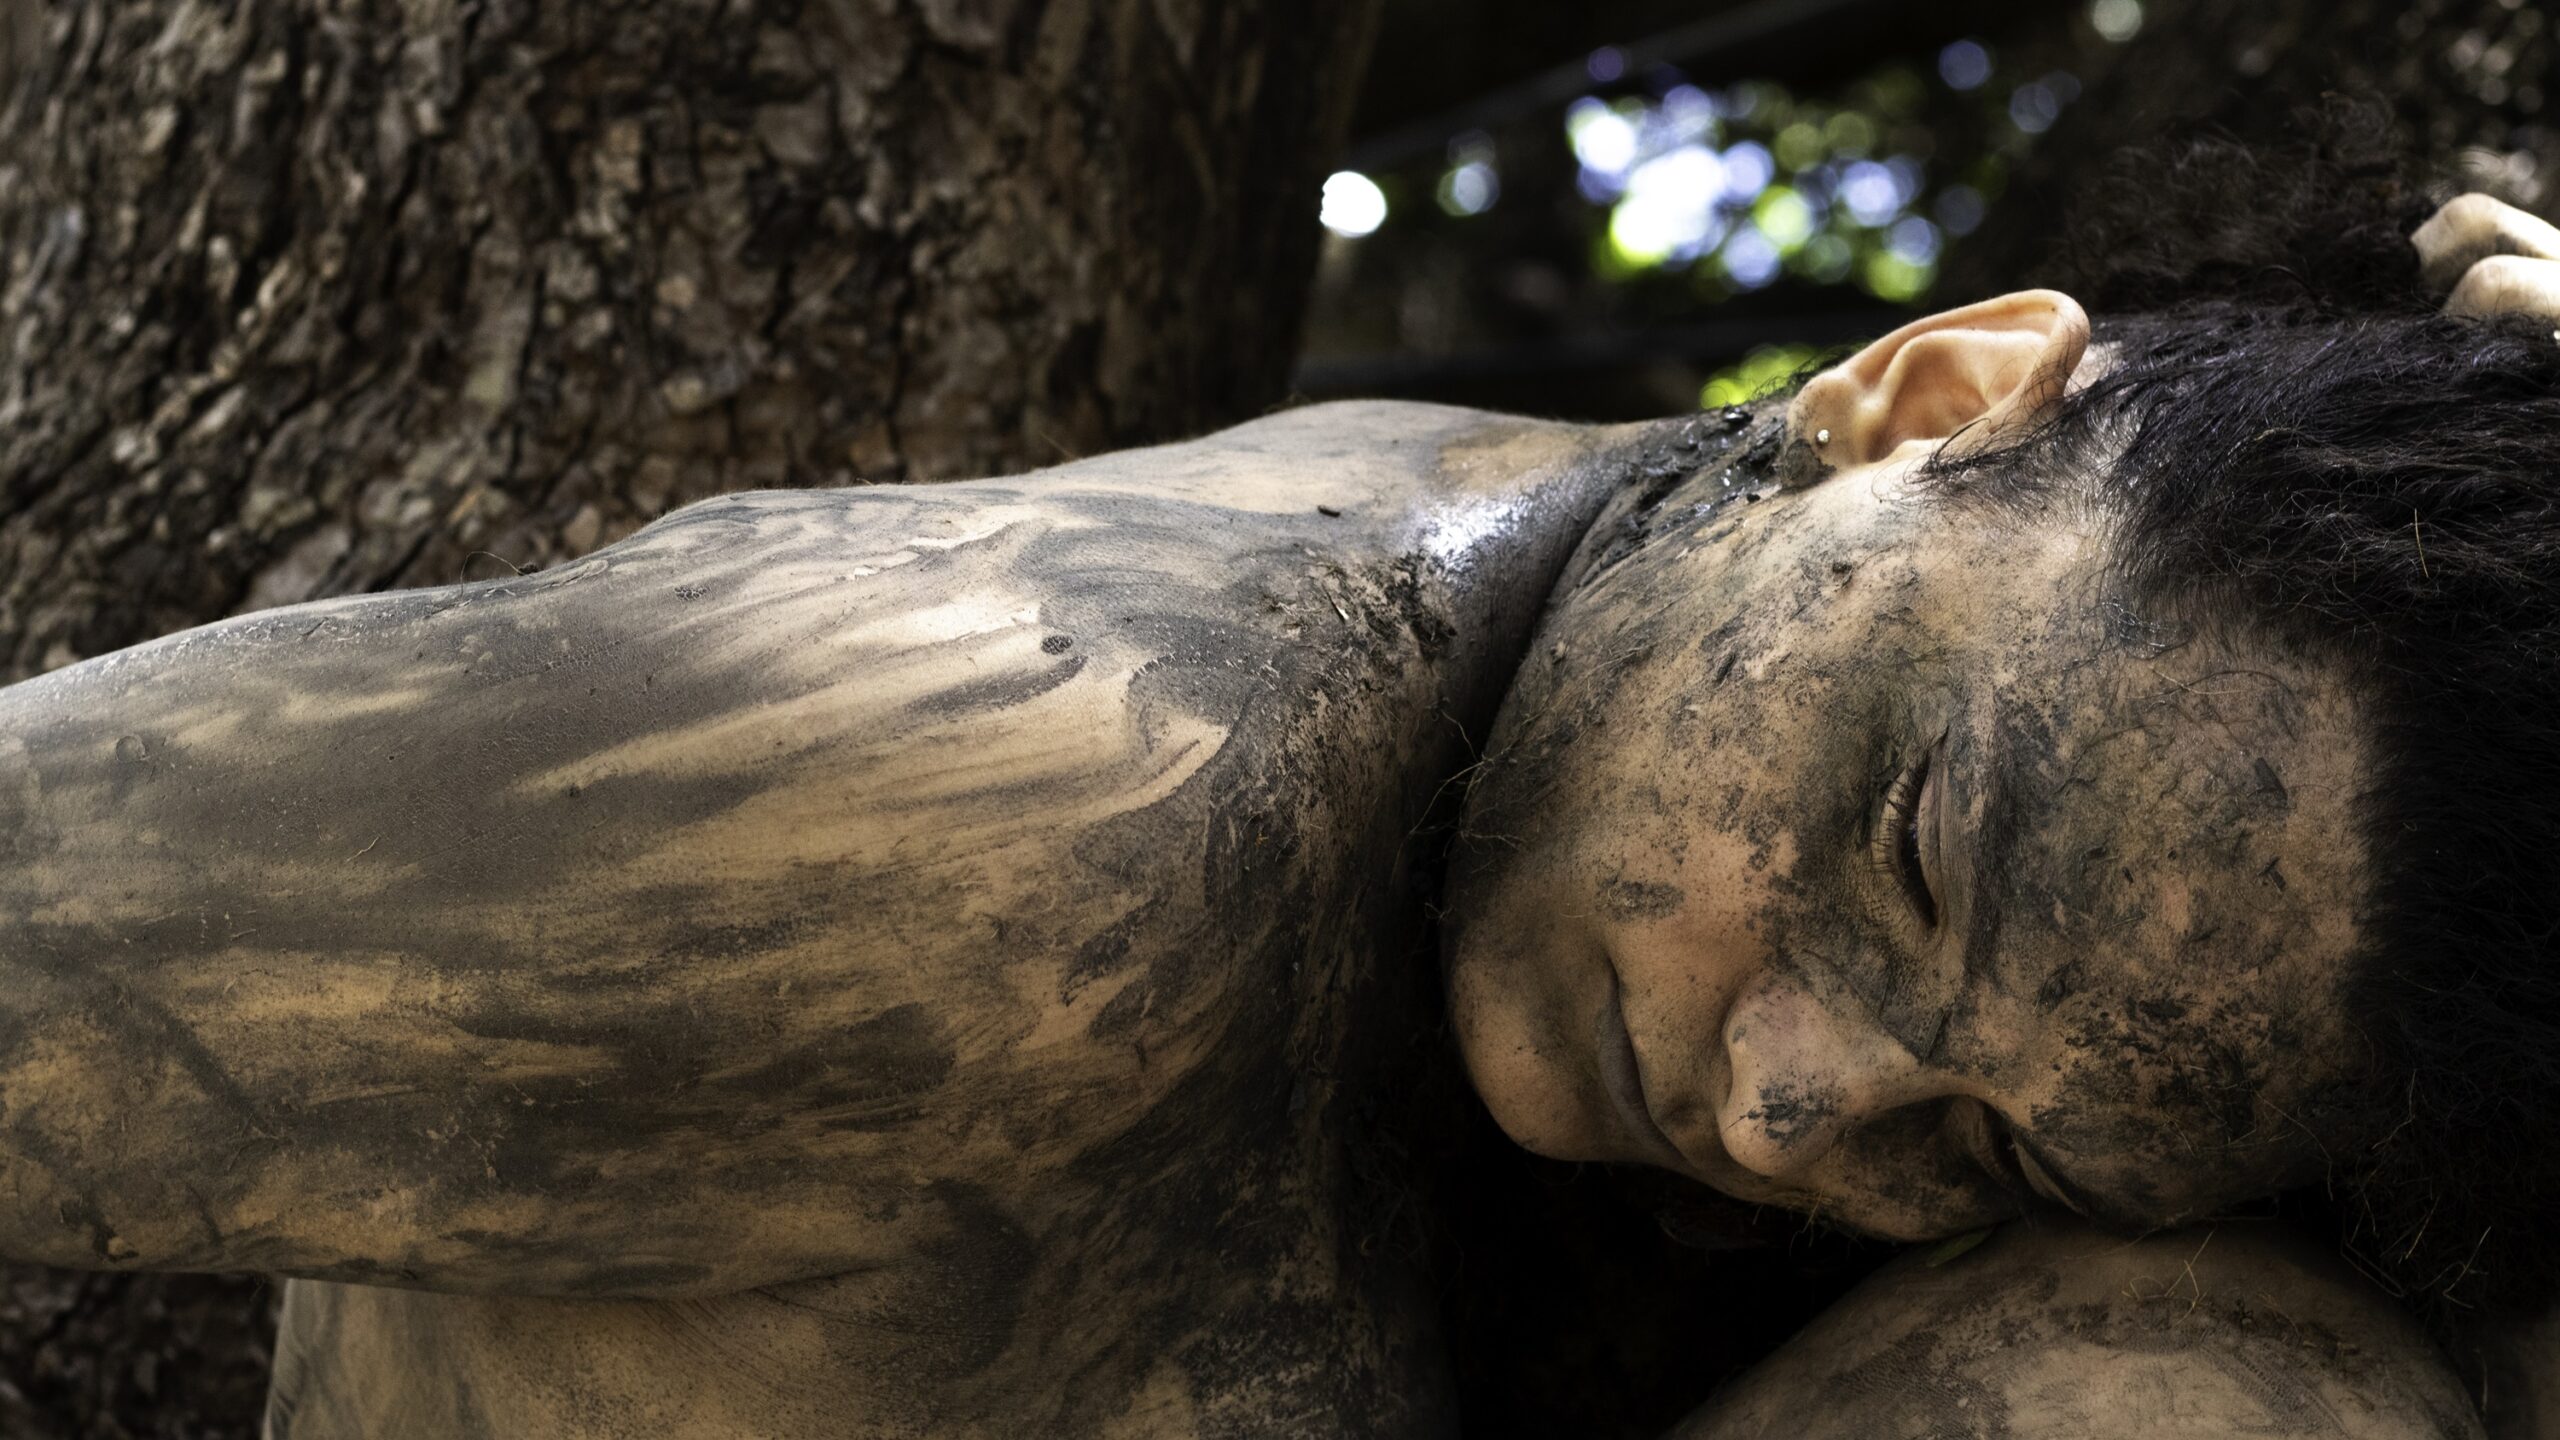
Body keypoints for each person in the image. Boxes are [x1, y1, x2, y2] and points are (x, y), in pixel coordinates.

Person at [0, 125, 2551, 1436]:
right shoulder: (971, 813)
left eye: (1976, 1148)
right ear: (1924, 398)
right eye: (1905, 850)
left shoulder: (2100, 996)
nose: (1791, 1108)